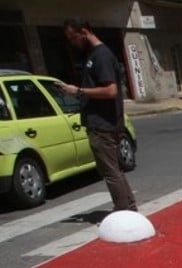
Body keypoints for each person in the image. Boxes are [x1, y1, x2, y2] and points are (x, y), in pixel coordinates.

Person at [58, 18, 136, 212]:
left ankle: (123, 209)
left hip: (103, 124)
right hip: (102, 123)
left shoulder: (100, 56)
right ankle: (128, 207)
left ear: (84, 31)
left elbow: (110, 91)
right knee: (113, 169)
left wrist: (78, 91)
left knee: (110, 171)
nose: (72, 43)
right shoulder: (96, 55)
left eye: (73, 37)